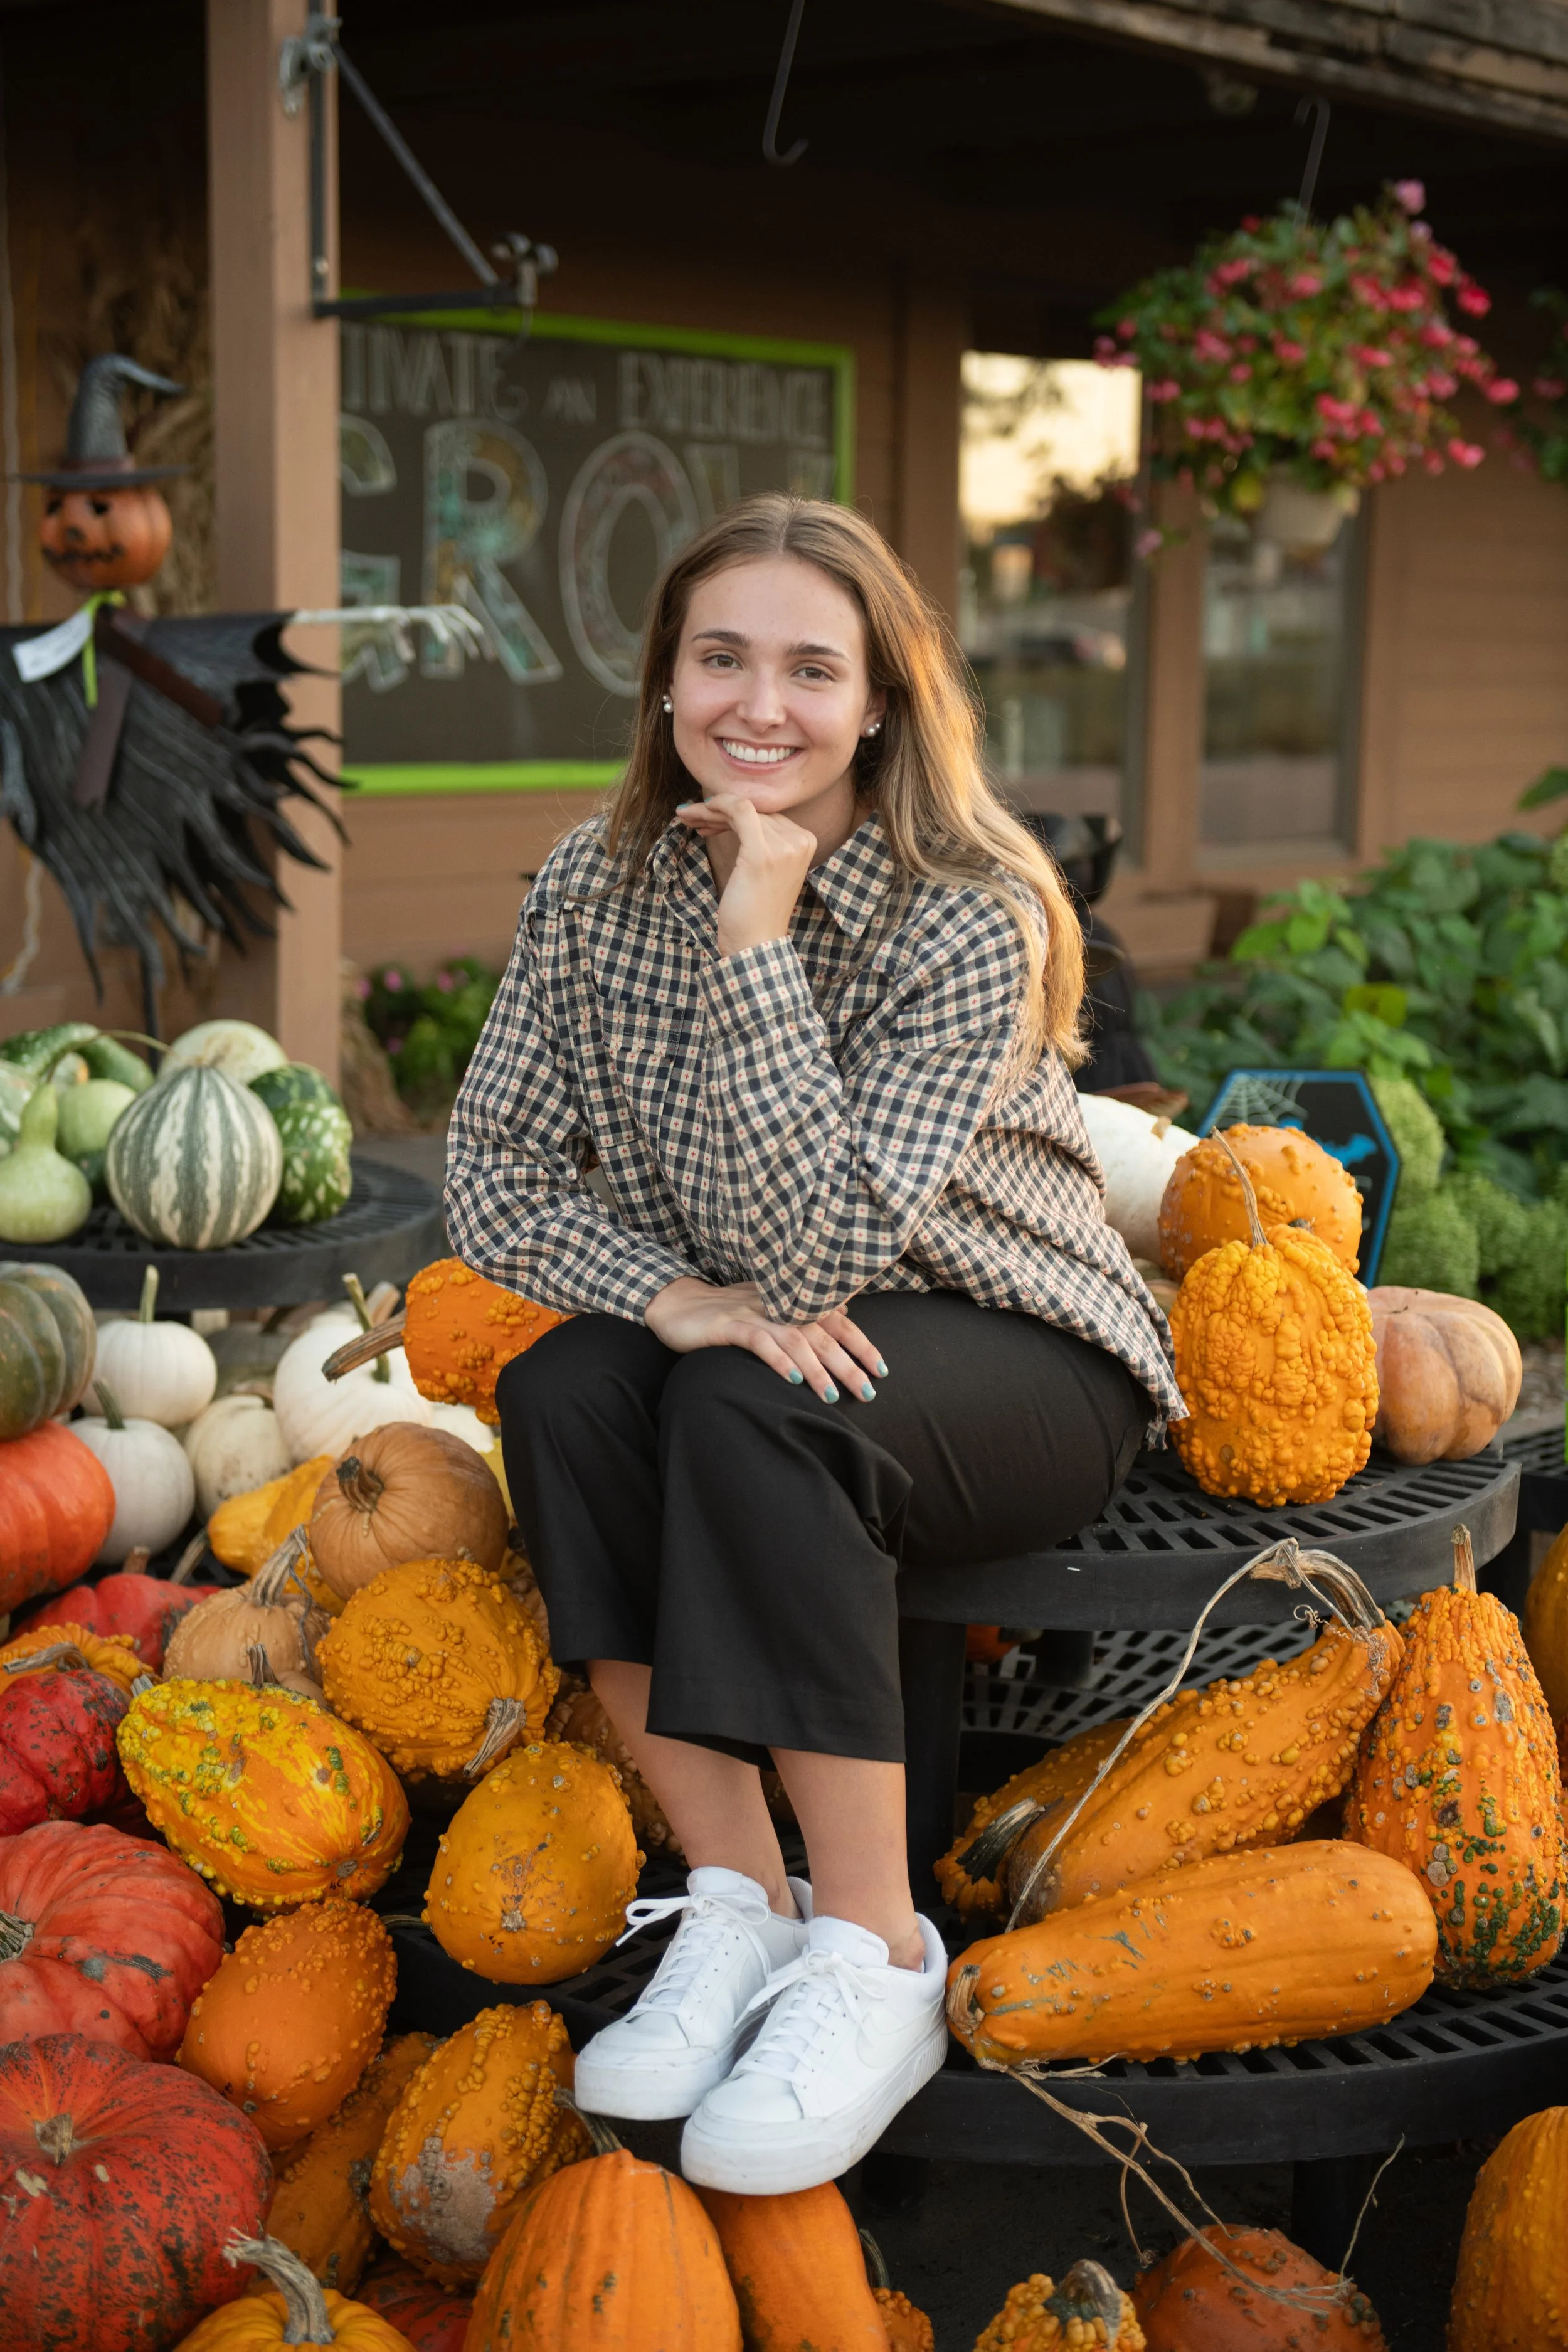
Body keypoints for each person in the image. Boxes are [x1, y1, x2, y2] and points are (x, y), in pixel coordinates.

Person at [445, 494, 1181, 2196]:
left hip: (1021, 1353)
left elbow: (815, 1248)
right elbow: (488, 1171)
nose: (755, 704)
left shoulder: (966, 907)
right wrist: (660, 1291)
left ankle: (874, 1947)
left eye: (806, 667)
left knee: (751, 1401)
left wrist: (759, 929)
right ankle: (738, 1900)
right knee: (566, 1385)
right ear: (662, 686)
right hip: (754, 1330)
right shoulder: (591, 882)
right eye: (720, 658)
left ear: (879, 703)